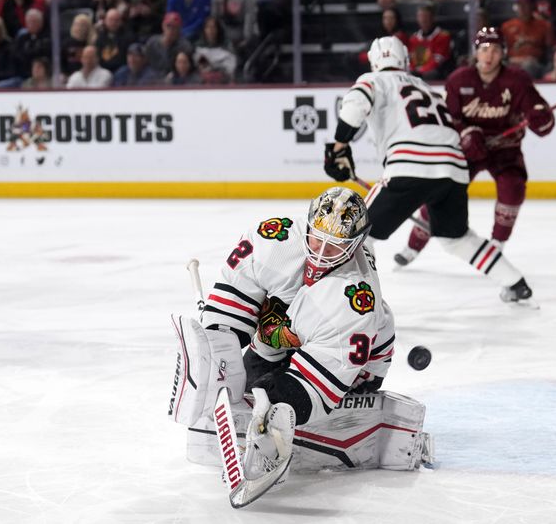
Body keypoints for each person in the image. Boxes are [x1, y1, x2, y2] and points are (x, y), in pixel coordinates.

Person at [168, 188, 428, 501]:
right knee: (252, 379)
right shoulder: (274, 239)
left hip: (354, 362)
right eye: (317, 238)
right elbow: (235, 293)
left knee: (275, 397)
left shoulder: (355, 299)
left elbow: (319, 383)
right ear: (306, 225)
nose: (321, 252)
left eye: (335, 246)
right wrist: (219, 339)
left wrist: (282, 404)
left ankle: (279, 439)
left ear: (358, 243)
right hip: (286, 334)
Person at [324, 36, 536, 303]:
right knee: (455, 238)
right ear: (406, 60)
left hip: (408, 166)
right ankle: (515, 282)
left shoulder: (374, 79)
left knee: (357, 233)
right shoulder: (426, 87)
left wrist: (338, 146)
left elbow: (355, 104)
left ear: (374, 61)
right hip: (454, 169)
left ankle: (357, 301)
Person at [393, 28, 554, 279]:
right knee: (441, 192)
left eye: (495, 50)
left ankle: (496, 245)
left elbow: (540, 116)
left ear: (503, 53)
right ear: (475, 53)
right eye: (484, 50)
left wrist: (540, 117)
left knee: (513, 188)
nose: (489, 56)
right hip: (468, 150)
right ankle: (413, 245)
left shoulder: (517, 80)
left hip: (506, 150)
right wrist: (467, 133)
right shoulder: (459, 80)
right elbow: (450, 119)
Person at [500, 0, 553, 79]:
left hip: (534, 65)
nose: (522, 8)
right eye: (520, 4)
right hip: (512, 63)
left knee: (529, 66)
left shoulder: (544, 25)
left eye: (526, 4)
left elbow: (549, 52)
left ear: (532, 6)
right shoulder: (507, 26)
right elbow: (502, 52)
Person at [407, 3, 452, 80]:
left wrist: (420, 71)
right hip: (417, 72)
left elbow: (438, 61)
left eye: (426, 16)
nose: (423, 20)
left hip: (434, 73)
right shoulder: (413, 38)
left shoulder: (443, 36)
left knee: (431, 74)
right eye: (420, 16)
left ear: (432, 18)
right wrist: (412, 70)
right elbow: (410, 59)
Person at [12, 7, 49, 80]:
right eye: (29, 21)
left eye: (34, 21)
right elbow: (16, 55)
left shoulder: (47, 38)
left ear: (41, 22)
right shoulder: (22, 38)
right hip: (21, 74)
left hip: (41, 75)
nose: (32, 24)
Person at [96, 9, 133, 73]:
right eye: (110, 20)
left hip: (121, 71)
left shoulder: (129, 37)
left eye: (116, 20)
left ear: (121, 22)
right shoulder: (100, 37)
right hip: (103, 71)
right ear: (105, 21)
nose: (113, 23)